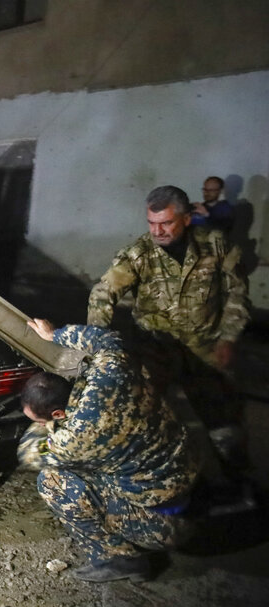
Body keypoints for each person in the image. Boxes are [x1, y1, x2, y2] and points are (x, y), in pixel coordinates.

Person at [86, 185, 251, 475]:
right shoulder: (138, 254)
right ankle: (154, 481)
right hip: (156, 349)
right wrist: (97, 343)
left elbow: (237, 292)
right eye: (152, 223)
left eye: (166, 223)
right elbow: (103, 294)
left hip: (206, 348)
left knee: (223, 419)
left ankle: (239, 481)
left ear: (186, 219)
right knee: (144, 416)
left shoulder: (215, 246)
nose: (157, 231)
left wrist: (228, 337)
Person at [18, 319, 198, 583]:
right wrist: (55, 334)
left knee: (52, 482)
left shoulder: (75, 438)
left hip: (163, 525)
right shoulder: (111, 370)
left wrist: (47, 427)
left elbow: (29, 454)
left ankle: (119, 559)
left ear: (58, 413)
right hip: (190, 479)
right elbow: (109, 339)